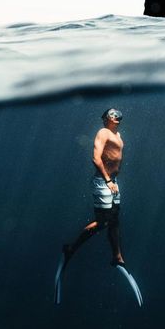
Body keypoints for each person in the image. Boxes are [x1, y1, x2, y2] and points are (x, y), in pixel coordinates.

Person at [61, 108, 126, 271]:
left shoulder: (118, 136)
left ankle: (117, 256)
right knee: (103, 221)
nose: (115, 116)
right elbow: (96, 158)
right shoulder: (103, 132)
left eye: (117, 114)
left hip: (113, 182)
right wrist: (108, 180)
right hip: (103, 181)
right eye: (112, 114)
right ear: (105, 119)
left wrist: (114, 180)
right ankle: (72, 248)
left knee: (114, 219)